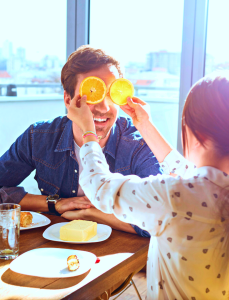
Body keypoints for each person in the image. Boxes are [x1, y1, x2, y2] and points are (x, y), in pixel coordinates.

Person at [67, 70, 229, 300]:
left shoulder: (173, 197)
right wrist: (144, 125)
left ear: (195, 133)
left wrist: (88, 130)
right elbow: (191, 177)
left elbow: (99, 187)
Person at [0, 45, 162, 237]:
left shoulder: (138, 143)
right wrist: (53, 203)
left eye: (111, 94)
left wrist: (91, 214)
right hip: (53, 246)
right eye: (92, 94)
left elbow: (162, 217)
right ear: (68, 100)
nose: (104, 107)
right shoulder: (39, 137)